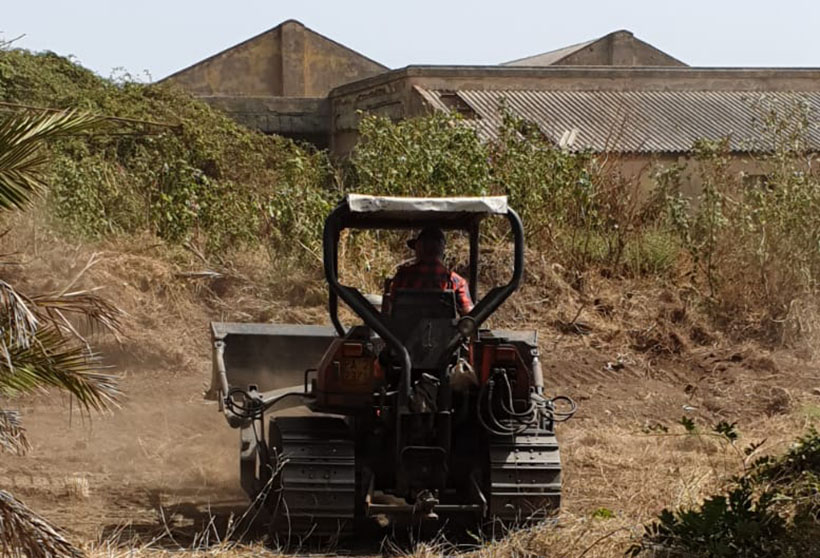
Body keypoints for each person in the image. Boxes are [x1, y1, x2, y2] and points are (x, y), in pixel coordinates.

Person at [389, 227, 473, 315]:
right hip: (443, 324)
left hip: (406, 324)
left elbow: (390, 309)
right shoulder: (456, 281)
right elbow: (469, 314)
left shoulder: (402, 276)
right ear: (441, 251)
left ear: (419, 248)